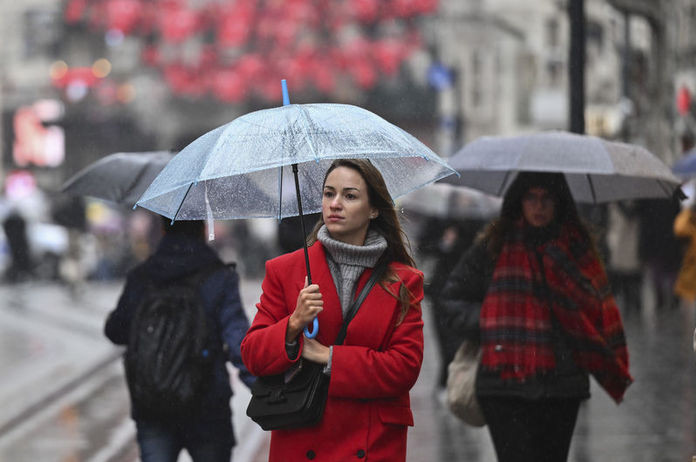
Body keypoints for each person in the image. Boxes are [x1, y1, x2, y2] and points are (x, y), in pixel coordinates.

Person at [439, 172, 633, 462]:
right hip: (503, 385)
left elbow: (598, 311)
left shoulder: (578, 249)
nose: (538, 207)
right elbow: (451, 299)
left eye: (546, 199)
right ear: (519, 202)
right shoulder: (495, 245)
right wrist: (492, 322)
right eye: (531, 198)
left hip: (561, 384)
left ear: (559, 203)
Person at [241, 159, 424, 462]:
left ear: (374, 209)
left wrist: (330, 357)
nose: (335, 204)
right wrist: (293, 324)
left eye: (350, 196)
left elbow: (403, 368)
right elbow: (253, 355)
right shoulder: (286, 270)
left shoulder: (403, 281)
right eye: (329, 194)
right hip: (303, 436)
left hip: (373, 442)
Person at [104, 218, 255, 462]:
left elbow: (115, 331)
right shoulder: (220, 277)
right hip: (208, 403)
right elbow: (239, 342)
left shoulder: (141, 276)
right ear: (204, 230)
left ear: (163, 229)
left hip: (152, 404)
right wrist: (264, 389)